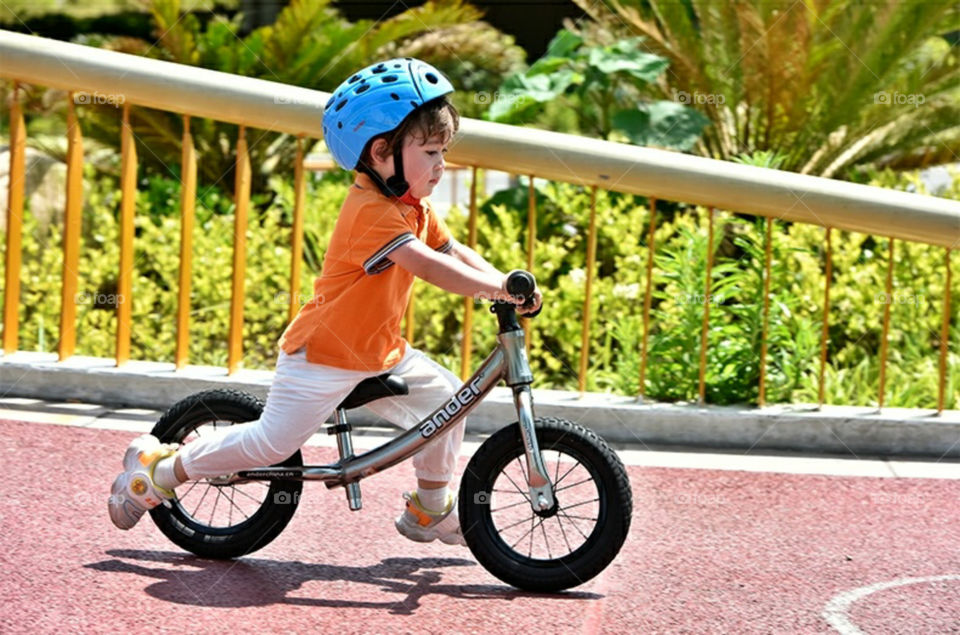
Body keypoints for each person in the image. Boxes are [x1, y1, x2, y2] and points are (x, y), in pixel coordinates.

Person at [108, 58, 542, 546]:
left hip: (380, 352)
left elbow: (450, 250)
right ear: (382, 152)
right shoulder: (371, 212)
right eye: (431, 152)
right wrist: (496, 289)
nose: (442, 165)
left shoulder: (411, 205)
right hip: (323, 356)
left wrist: (505, 281)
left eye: (444, 151)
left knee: (445, 402)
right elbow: (429, 266)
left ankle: (430, 508)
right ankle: (161, 470)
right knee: (273, 442)